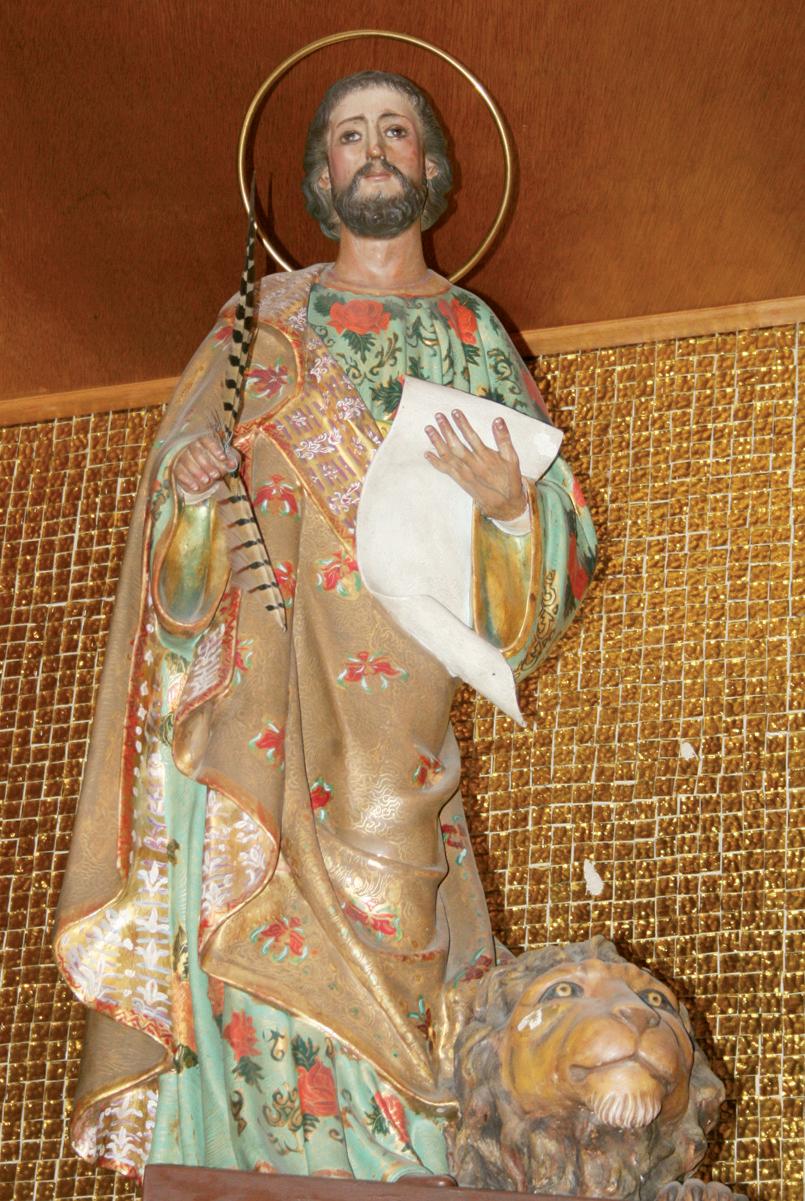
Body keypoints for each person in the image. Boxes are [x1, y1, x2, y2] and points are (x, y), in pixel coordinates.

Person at [54, 70, 598, 1183]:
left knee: (400, 899)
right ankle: (256, 1143)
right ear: (321, 176)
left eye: (395, 129)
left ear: (432, 167)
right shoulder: (259, 323)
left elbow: (558, 536)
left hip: (397, 701)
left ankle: (399, 1148)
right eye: (350, 135)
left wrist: (508, 508)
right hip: (262, 689)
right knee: (249, 892)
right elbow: (175, 522)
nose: (375, 148)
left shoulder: (467, 330)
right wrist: (192, 490)